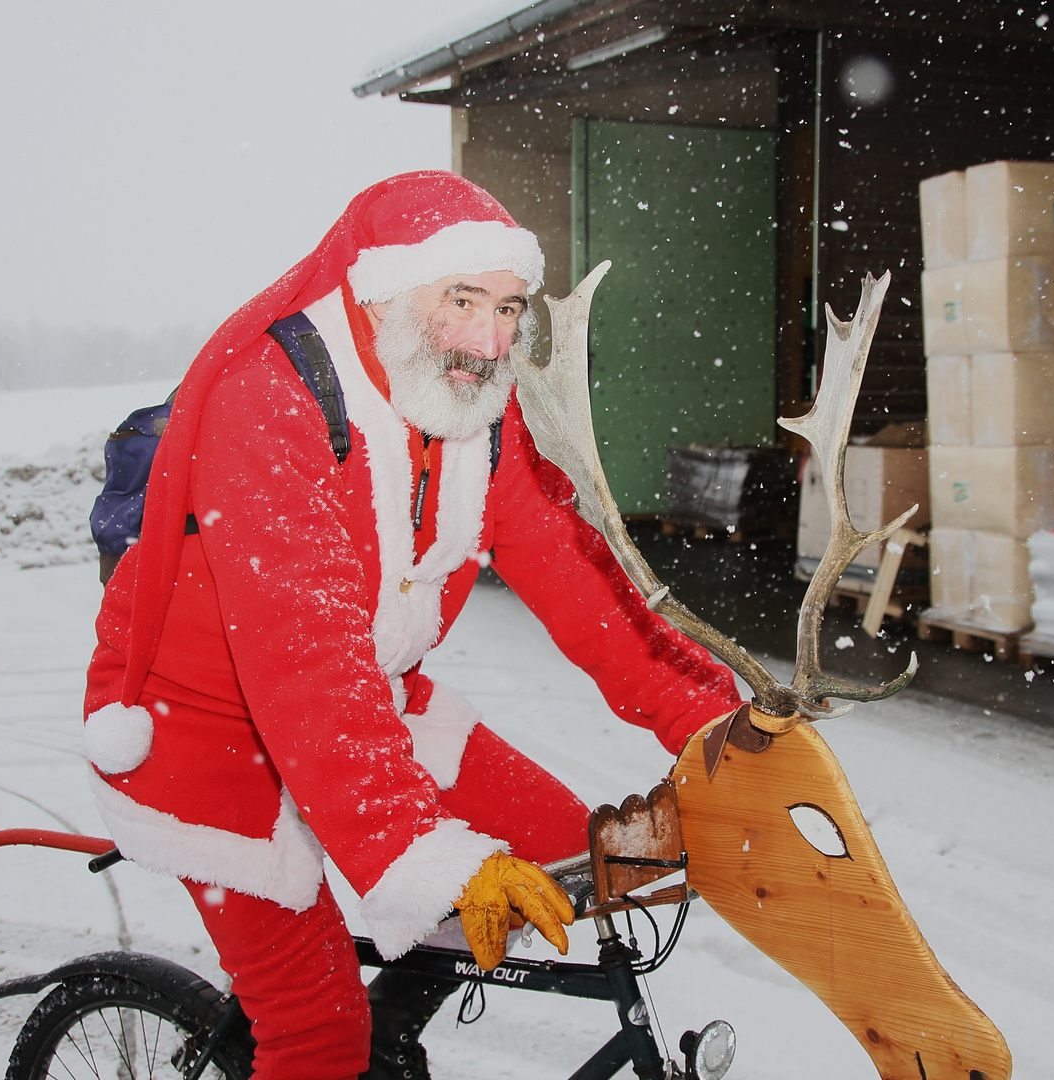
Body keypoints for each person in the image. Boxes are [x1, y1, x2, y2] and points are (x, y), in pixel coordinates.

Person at [79, 171, 742, 1080]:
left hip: (369, 696)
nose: (490, 338)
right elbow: (304, 660)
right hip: (201, 728)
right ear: (385, 290)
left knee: (565, 856)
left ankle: (392, 1027)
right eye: (461, 300)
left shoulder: (470, 408)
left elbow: (575, 575)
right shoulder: (269, 395)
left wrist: (713, 729)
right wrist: (420, 855)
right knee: (315, 1030)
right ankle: (353, 1039)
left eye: (509, 308)